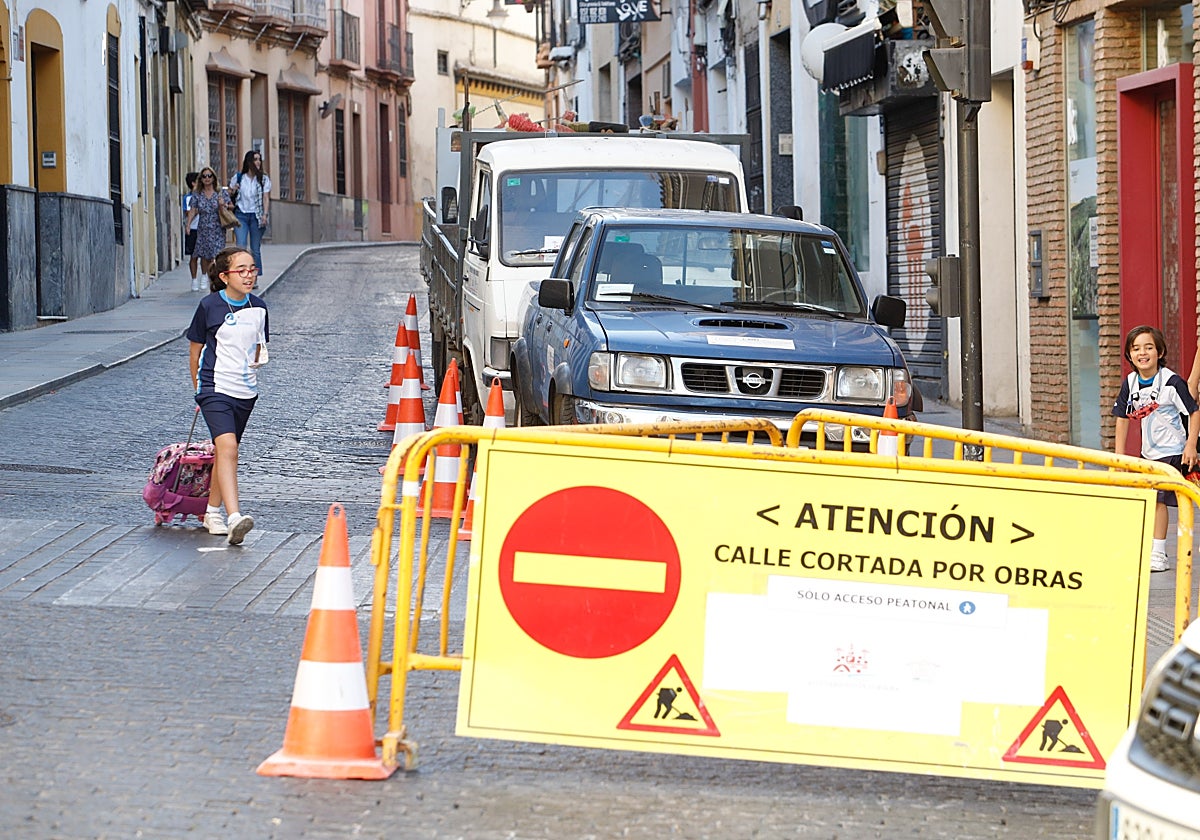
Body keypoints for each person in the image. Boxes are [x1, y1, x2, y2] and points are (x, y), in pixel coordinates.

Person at [186, 246, 268, 546]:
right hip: (214, 388)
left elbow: (259, 345)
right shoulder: (209, 307)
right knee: (229, 446)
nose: (249, 275)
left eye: (252, 269)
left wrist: (259, 358)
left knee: (226, 453)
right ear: (224, 276)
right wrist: (199, 389)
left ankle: (212, 512)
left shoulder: (259, 308)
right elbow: (195, 352)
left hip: (246, 391)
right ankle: (234, 517)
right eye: (241, 270)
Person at [1112, 325, 1200, 572]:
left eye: (1149, 347)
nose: (1143, 353)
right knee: (1151, 499)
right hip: (1148, 454)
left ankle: (1159, 553)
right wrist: (1120, 457)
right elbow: (1122, 418)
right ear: (1129, 355)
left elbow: (1194, 411)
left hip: (1173, 452)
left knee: (1159, 499)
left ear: (1160, 352)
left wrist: (1191, 445)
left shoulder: (1171, 382)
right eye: (1136, 348)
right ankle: (1152, 549)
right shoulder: (1130, 382)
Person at [185, 167, 234, 281]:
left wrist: (224, 205)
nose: (207, 178)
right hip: (203, 229)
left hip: (217, 228)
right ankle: (207, 276)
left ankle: (214, 279)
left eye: (209, 176)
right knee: (205, 256)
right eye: (204, 176)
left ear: (213, 178)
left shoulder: (220, 192)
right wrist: (188, 224)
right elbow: (192, 210)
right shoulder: (197, 194)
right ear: (201, 179)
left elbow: (231, 205)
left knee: (215, 255)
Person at [229, 150, 271, 281]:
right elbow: (229, 193)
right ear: (249, 162)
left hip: (256, 216)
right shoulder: (239, 177)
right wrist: (234, 190)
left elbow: (265, 198)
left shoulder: (263, 179)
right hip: (241, 214)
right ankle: (242, 275)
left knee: (255, 249)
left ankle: (254, 277)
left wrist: (265, 214)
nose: (258, 162)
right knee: (241, 247)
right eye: (255, 159)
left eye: (259, 159)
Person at [182, 172, 202, 291]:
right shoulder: (188, 198)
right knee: (193, 256)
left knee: (206, 257)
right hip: (194, 228)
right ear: (193, 183)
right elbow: (187, 213)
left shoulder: (205, 195)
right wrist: (198, 209)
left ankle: (204, 275)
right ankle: (194, 279)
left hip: (205, 228)